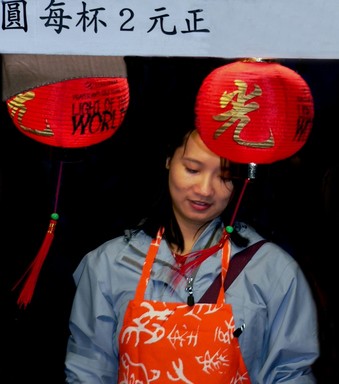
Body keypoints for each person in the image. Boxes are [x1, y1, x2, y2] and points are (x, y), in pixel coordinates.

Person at [64, 128, 319, 383]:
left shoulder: (272, 271)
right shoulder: (108, 264)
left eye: (225, 176)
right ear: (168, 161)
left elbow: (290, 373)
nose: (205, 190)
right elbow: (89, 369)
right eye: (193, 170)